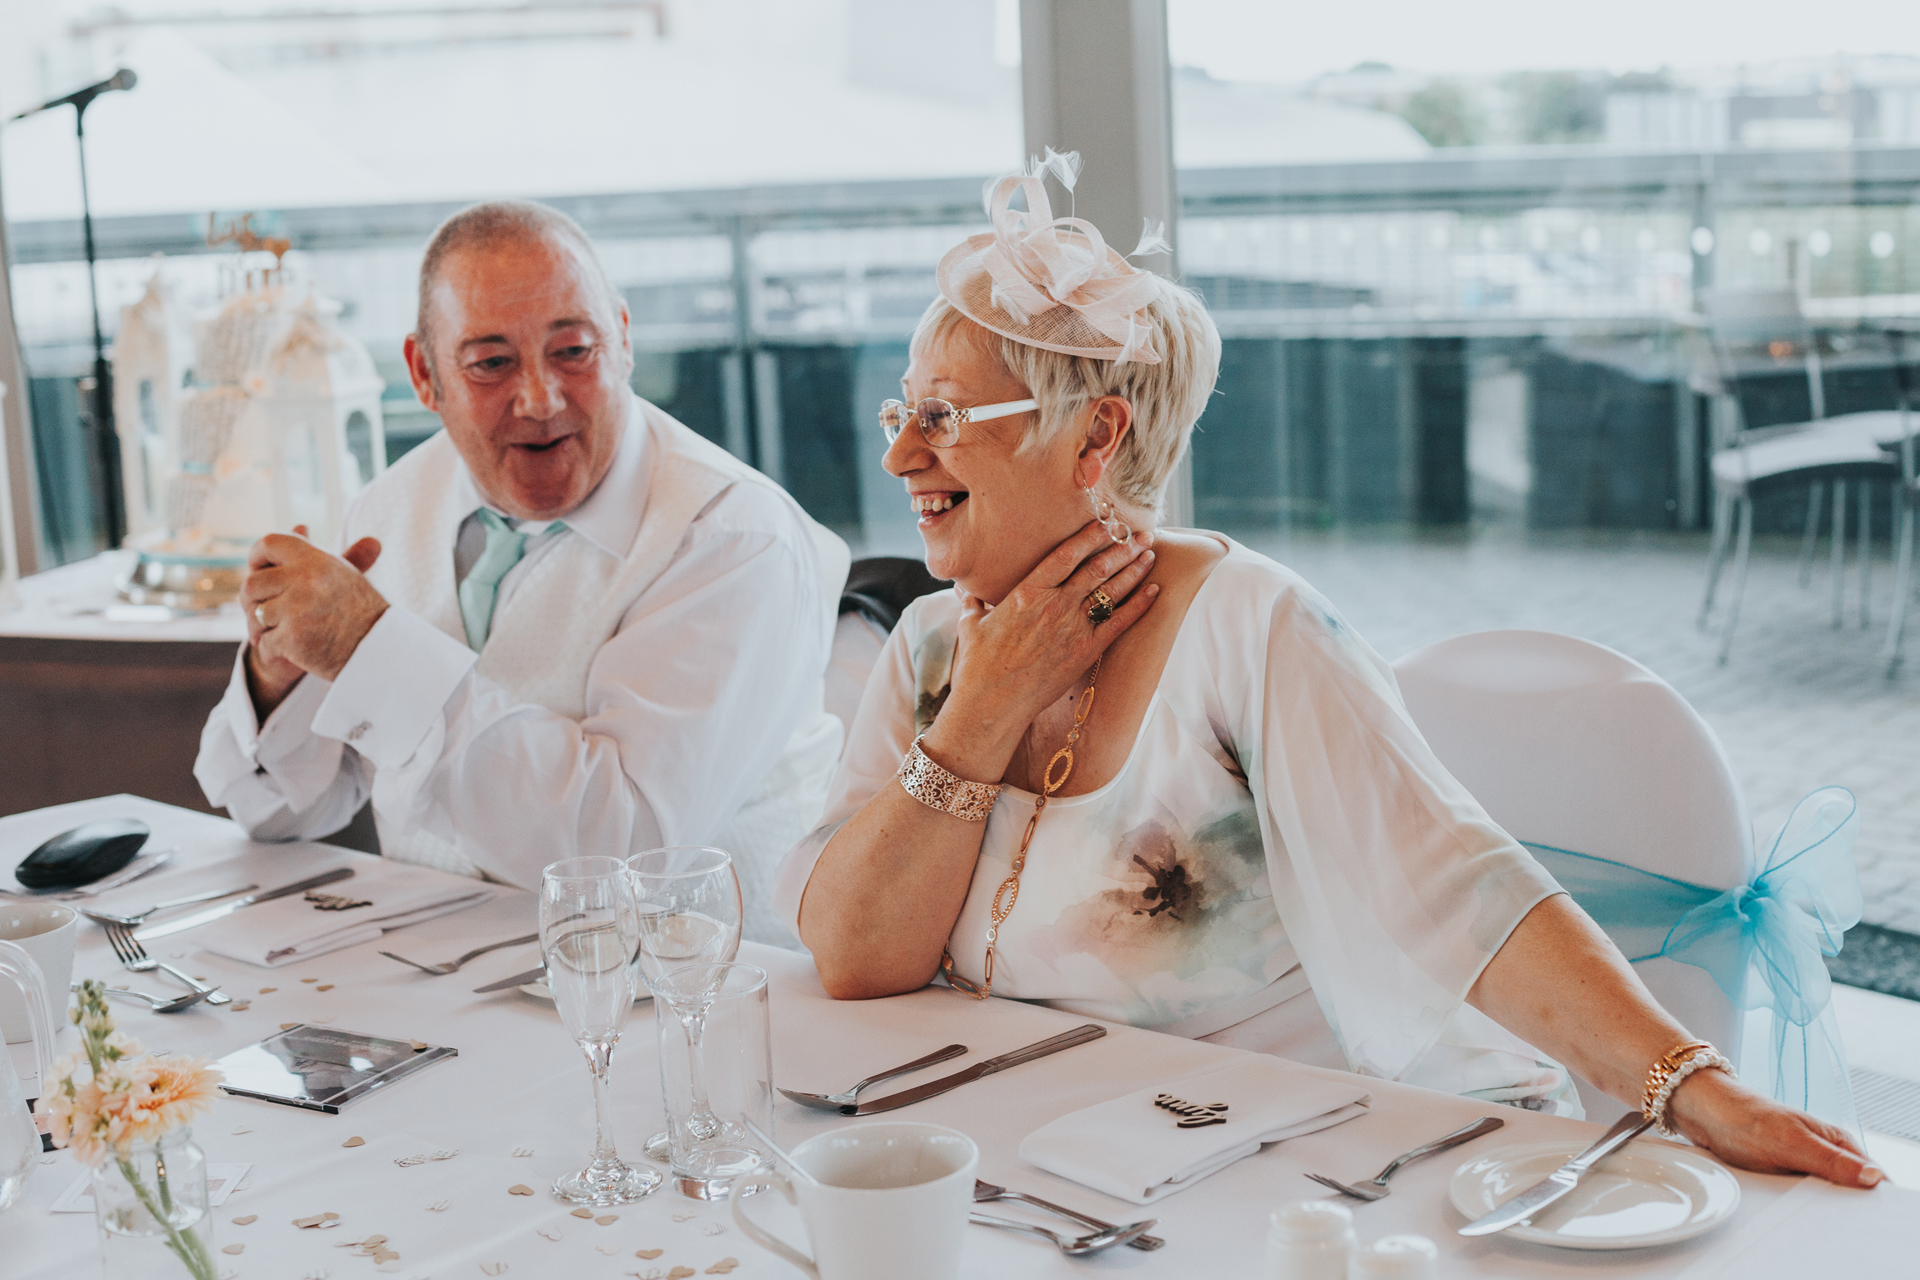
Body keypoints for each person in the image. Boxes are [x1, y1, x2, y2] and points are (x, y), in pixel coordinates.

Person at [775, 160, 1881, 1185]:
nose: (900, 454)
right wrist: (984, 708)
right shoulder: (928, 644)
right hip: (1030, 1172)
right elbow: (855, 955)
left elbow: (1460, 880)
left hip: (1283, 1178)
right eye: (900, 410)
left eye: (943, 416)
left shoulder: (1250, 627)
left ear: (1095, 435)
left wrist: (1688, 1084)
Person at [196, 200, 848, 941]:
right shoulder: (388, 509)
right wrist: (277, 678)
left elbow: (625, 848)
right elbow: (284, 814)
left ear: (624, 341)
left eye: (574, 352)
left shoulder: (732, 538)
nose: (540, 399)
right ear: (423, 373)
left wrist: (371, 652)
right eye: (491, 365)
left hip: (698, 1003)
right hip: (437, 991)